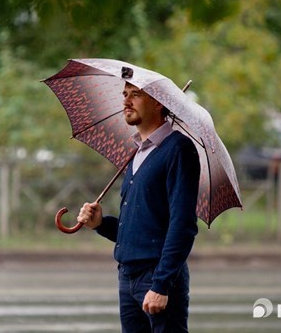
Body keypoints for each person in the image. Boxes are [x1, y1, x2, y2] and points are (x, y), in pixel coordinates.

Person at [77, 82, 200, 332]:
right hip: (127, 276)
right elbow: (141, 228)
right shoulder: (137, 154)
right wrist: (100, 224)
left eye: (135, 95)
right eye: (124, 94)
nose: (126, 102)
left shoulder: (178, 150)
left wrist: (161, 285)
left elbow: (183, 225)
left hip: (156, 278)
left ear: (158, 103)